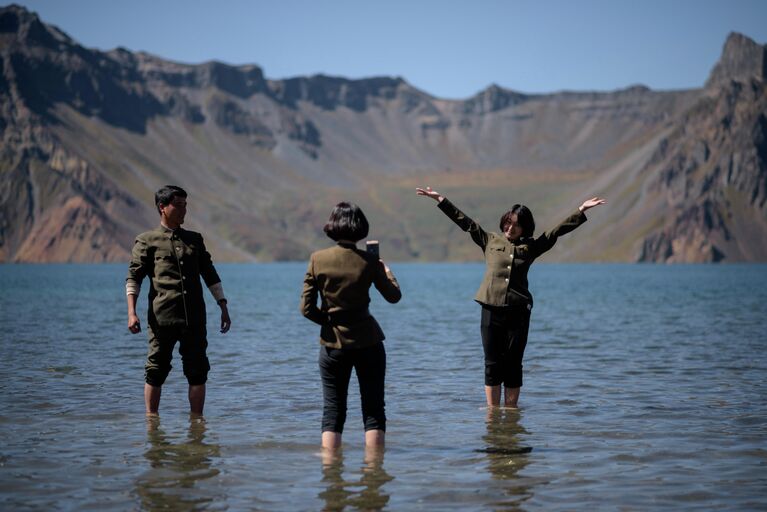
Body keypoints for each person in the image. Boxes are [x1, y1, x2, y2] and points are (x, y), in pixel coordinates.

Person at [416, 186, 605, 408]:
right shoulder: (489, 240)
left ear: (524, 227)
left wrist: (581, 210)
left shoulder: (531, 247)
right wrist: (440, 199)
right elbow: (464, 222)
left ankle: (512, 413)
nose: (510, 227)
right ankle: (493, 413)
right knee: (492, 364)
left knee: (514, 364)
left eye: (515, 224)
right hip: (490, 309)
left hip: (518, 312)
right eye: (507, 222)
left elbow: (556, 232)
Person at [300, 202, 401, 451]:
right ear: (360, 228)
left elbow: (306, 308)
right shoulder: (369, 261)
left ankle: (330, 471)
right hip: (369, 342)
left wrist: (330, 322)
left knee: (333, 409)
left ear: (333, 226)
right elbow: (393, 296)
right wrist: (386, 271)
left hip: (332, 345)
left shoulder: (317, 259)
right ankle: (374, 472)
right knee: (373, 409)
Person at [126, 185, 231, 416]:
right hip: (162, 319)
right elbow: (134, 277)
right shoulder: (147, 241)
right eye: (179, 205)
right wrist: (131, 312)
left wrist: (222, 305)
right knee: (156, 370)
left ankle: (197, 423)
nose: (184, 210)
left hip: (194, 319)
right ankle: (152, 421)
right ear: (162, 207)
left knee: (198, 371)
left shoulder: (194, 240)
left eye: (186, 205)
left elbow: (210, 274)